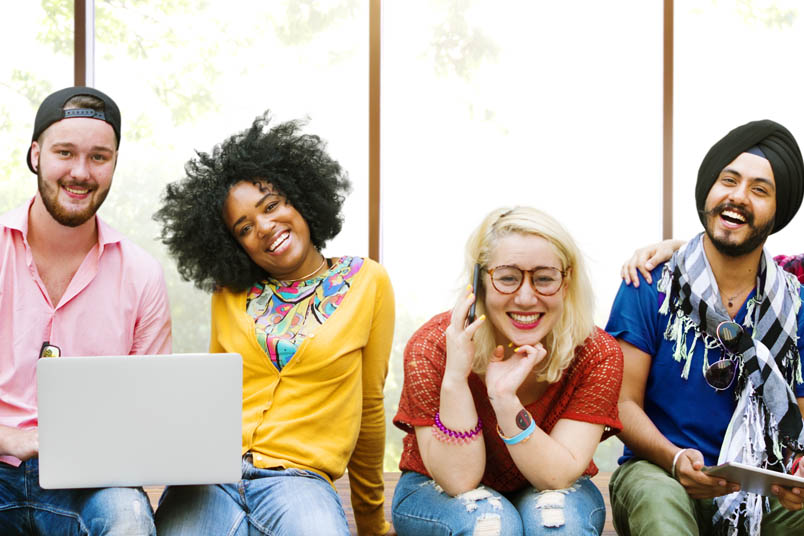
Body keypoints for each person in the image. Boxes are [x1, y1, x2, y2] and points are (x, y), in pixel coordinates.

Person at [152, 111, 394, 536]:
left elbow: (369, 408)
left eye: (272, 205)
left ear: (300, 198)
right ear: (234, 244)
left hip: (299, 479)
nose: (265, 227)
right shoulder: (228, 292)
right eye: (244, 228)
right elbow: (213, 393)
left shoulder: (367, 281)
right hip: (210, 478)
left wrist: (371, 521)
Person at [606, 119, 804, 536]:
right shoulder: (650, 285)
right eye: (728, 180)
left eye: (759, 189)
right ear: (708, 192)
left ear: (778, 211)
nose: (738, 196)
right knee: (660, 504)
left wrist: (797, 472)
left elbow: (798, 421)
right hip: (661, 473)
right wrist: (676, 459)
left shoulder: (794, 304)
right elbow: (621, 404)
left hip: (762, 489)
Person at [0, 86, 172, 535]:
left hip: (91, 480)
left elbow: (149, 410)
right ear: (36, 154)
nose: (81, 172)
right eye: (65, 152)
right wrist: (11, 438)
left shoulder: (142, 275)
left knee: (129, 523)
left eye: (99, 156)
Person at [392, 206, 623, 535]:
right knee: (491, 526)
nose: (526, 297)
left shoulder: (596, 352)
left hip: (551, 480)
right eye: (507, 278)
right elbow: (459, 480)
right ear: (480, 282)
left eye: (544, 279)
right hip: (437, 486)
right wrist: (456, 378)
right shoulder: (432, 347)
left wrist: (504, 399)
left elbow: (556, 476)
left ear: (566, 281)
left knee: (558, 527)